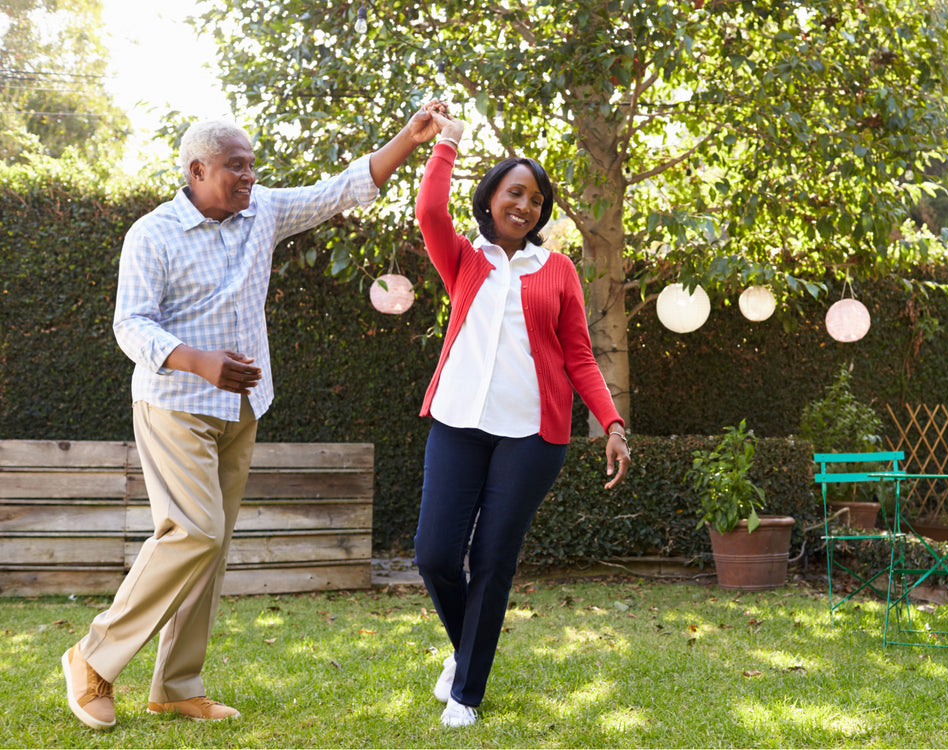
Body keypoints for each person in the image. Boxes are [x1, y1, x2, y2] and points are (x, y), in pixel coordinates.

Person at [61, 105, 445, 730]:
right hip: (175, 403)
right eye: (236, 168)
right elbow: (130, 325)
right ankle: (92, 656)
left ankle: (177, 685)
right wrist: (198, 362)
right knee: (194, 531)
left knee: (208, 551)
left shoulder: (260, 210)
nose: (249, 177)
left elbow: (339, 189)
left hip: (241, 407)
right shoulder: (152, 234)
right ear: (197, 170)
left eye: (252, 166)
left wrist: (410, 136)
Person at [412, 107, 631, 728]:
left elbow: (580, 357)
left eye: (536, 199)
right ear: (492, 199)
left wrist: (611, 424)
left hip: (532, 435)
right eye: (515, 192)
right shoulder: (465, 259)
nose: (526, 206)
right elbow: (430, 212)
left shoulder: (556, 269)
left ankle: (467, 693)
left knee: (492, 560)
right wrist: (447, 144)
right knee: (433, 554)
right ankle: (467, 653)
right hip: (458, 421)